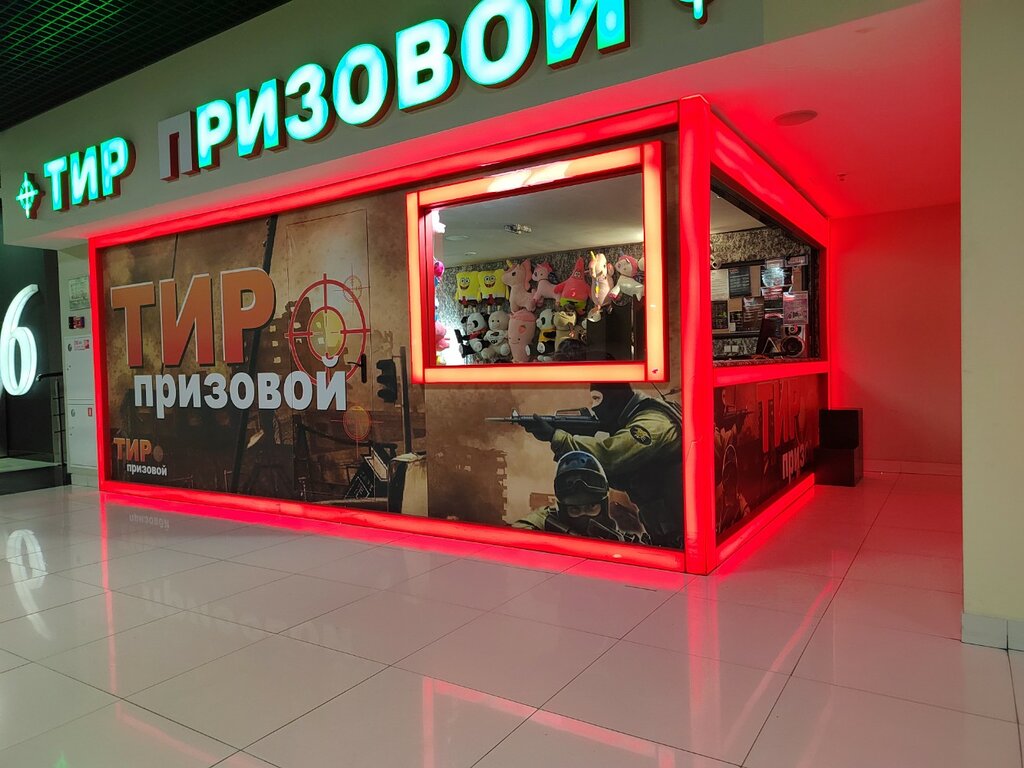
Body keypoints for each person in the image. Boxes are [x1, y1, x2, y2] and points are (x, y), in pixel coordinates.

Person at [519, 382, 684, 548]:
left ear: (615, 398)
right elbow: (625, 475)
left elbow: (610, 455)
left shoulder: (652, 423)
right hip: (669, 537)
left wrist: (557, 438)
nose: (593, 407)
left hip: (682, 537)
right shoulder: (640, 418)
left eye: (597, 398)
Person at [513, 451, 650, 544]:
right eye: (575, 510)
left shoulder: (617, 538)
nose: (584, 515)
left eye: (591, 507)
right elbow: (518, 534)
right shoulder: (547, 521)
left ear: (603, 506)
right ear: (563, 510)